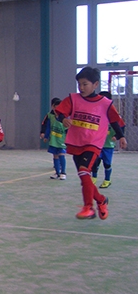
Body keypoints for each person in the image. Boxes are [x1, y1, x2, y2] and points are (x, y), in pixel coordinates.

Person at [54, 66, 126, 220]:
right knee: (84, 177)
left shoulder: (105, 104)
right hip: (76, 143)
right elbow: (59, 112)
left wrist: (121, 136)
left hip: (93, 144)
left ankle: (89, 207)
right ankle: (101, 200)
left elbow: (115, 121)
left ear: (95, 84)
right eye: (79, 84)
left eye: (85, 84)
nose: (81, 87)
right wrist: (63, 119)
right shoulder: (73, 99)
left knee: (84, 170)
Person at [91, 91, 122, 188]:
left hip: (108, 145)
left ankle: (107, 179)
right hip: (97, 144)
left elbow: (121, 129)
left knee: (107, 164)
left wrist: (117, 137)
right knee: (95, 162)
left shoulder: (114, 116)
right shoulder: (96, 114)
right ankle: (94, 178)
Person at [40, 97, 67, 180]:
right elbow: (47, 127)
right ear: (53, 107)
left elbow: (68, 129)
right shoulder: (50, 116)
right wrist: (46, 136)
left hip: (62, 140)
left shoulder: (65, 117)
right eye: (56, 107)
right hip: (53, 140)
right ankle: (57, 172)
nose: (57, 109)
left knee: (61, 155)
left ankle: (63, 172)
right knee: (55, 156)